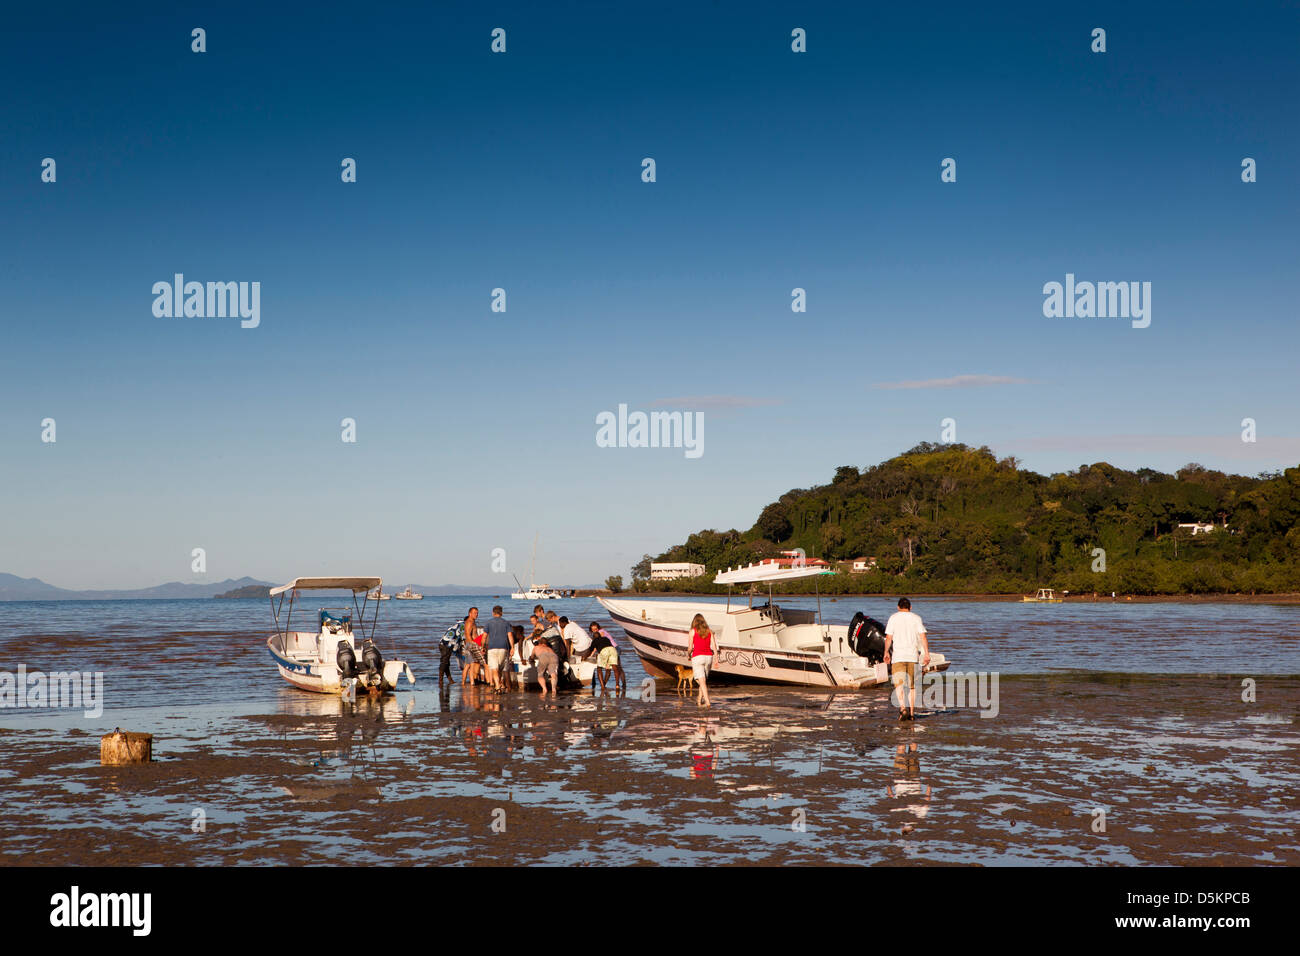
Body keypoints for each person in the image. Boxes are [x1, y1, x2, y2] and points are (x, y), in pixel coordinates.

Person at [884, 597, 929, 721]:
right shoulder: (916, 618)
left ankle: (903, 708)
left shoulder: (893, 618)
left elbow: (888, 638)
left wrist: (886, 652)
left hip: (898, 657)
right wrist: (927, 654)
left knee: (899, 685)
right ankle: (912, 713)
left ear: (898, 607)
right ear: (910, 607)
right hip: (913, 657)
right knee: (912, 687)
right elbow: (923, 637)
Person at [583, 621, 625, 692]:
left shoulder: (600, 633)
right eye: (593, 630)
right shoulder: (599, 635)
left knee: (612, 668)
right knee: (614, 668)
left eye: (595, 629)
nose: (594, 631)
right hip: (612, 649)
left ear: (598, 628)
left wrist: (590, 655)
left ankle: (604, 686)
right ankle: (618, 685)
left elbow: (597, 646)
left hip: (614, 648)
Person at [482, 605, 514, 692]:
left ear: (493, 613)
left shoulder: (488, 623)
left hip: (492, 648)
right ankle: (502, 685)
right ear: (502, 613)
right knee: (501, 668)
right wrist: (512, 648)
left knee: (494, 669)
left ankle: (497, 686)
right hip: (504, 647)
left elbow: (484, 636)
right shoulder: (506, 623)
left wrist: (483, 647)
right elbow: (510, 635)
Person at [689, 613, 717, 708]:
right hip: (708, 657)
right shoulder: (709, 631)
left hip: (697, 657)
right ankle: (699, 700)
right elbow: (714, 646)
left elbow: (689, 648)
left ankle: (708, 702)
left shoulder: (692, 631)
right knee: (703, 681)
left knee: (702, 681)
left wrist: (689, 654)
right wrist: (716, 660)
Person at [462, 606, 485, 686]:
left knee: (468, 665)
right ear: (470, 614)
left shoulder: (472, 622)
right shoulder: (469, 622)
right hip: (471, 645)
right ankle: (470, 683)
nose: (476, 614)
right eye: (475, 613)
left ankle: (466, 683)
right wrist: (475, 645)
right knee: (472, 664)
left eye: (477, 613)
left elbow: (475, 635)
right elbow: (468, 635)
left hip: (471, 644)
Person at [439, 617, 466, 682]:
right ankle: (440, 680)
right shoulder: (463, 625)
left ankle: (450, 679)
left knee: (446, 663)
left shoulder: (458, 624)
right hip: (447, 644)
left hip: (443, 643)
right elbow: (463, 638)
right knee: (444, 663)